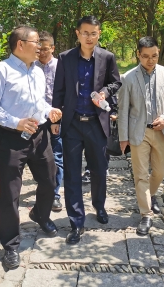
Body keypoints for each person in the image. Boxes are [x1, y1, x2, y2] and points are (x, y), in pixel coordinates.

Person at [0, 26, 63, 270]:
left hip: (40, 135)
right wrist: (16, 122)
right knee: (10, 194)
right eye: (36, 42)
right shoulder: (1, 71)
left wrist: (49, 111)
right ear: (20, 44)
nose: (40, 47)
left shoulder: (37, 71)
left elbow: (38, 102)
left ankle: (40, 214)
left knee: (50, 179)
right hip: (12, 139)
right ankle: (11, 245)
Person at [51, 15, 121, 244]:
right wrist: (55, 119)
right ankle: (76, 221)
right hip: (72, 124)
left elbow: (115, 82)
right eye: (85, 33)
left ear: (99, 34)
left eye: (93, 33)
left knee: (99, 170)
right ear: (77, 33)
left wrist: (105, 93)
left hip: (96, 123)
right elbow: (59, 90)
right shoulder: (65, 58)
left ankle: (99, 206)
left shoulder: (107, 57)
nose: (89, 37)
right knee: (72, 174)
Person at [118, 37, 164, 235]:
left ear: (158, 53)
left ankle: (149, 195)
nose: (150, 60)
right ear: (138, 55)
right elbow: (123, 110)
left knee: (160, 171)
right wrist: (123, 137)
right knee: (141, 175)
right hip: (139, 132)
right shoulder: (128, 78)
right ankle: (146, 214)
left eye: (154, 56)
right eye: (146, 56)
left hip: (161, 130)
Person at [35, 31, 64, 212]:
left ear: (53, 48)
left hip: (56, 117)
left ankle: (55, 195)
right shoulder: (31, 67)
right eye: (39, 49)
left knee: (57, 156)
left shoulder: (61, 67)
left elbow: (65, 93)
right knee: (39, 158)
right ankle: (44, 188)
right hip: (37, 119)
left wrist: (58, 119)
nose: (42, 53)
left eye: (46, 49)